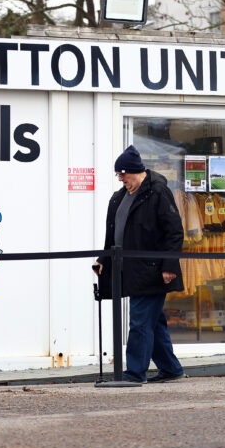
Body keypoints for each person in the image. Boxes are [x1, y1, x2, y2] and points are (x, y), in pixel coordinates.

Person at [94, 145, 186, 384]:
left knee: (140, 322)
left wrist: (169, 266)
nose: (121, 179)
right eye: (118, 176)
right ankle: (171, 369)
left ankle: (134, 373)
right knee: (152, 323)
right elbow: (113, 233)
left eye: (123, 174)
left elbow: (174, 232)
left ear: (136, 171)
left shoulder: (157, 192)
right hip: (131, 270)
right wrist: (103, 259)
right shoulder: (120, 196)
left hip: (152, 271)